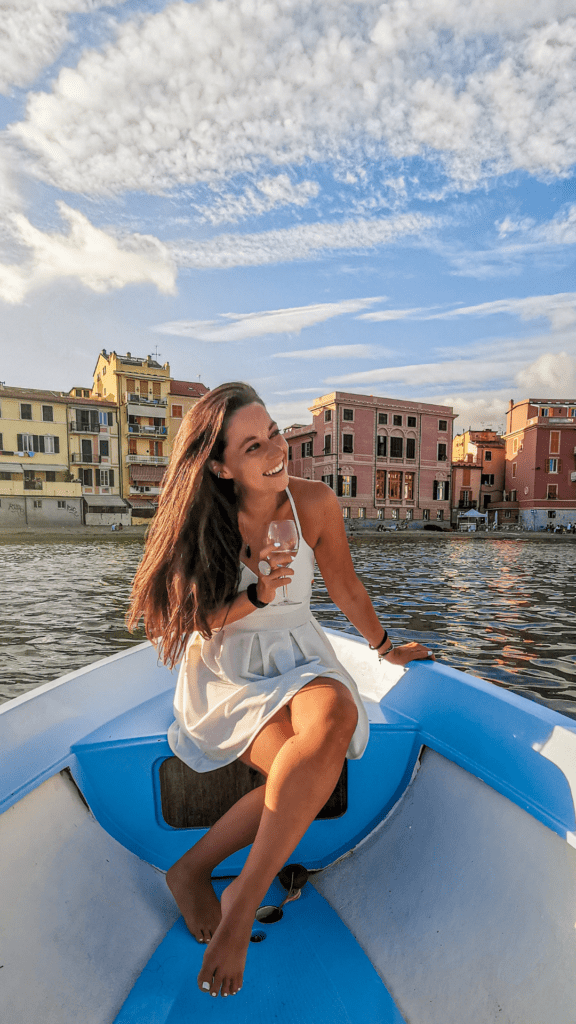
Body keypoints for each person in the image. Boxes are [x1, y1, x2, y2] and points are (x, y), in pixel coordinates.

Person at [127, 382, 432, 1000]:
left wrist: (383, 647)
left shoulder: (314, 501)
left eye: (274, 433)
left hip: (298, 652)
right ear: (219, 464)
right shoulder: (204, 516)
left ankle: (237, 900)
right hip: (228, 667)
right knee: (305, 774)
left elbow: (345, 586)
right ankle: (193, 872)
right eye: (253, 445)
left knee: (336, 715)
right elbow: (187, 620)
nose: (275, 450)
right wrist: (259, 592)